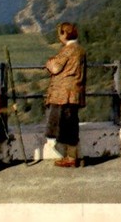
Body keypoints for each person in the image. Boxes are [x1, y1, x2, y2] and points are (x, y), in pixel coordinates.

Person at [44, 21, 87, 168]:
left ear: (65, 34)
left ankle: (70, 157)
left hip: (64, 93)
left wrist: (49, 63)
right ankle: (74, 156)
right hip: (75, 91)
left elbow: (55, 68)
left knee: (66, 125)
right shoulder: (80, 49)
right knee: (71, 124)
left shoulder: (68, 50)